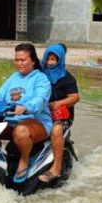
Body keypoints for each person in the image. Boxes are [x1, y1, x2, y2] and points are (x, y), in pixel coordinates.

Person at [0, 43, 52, 181]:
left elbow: (40, 99)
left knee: (20, 131)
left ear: (33, 61)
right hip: (13, 122)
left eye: (23, 60)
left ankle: (24, 160)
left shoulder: (41, 78)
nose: (19, 63)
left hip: (37, 123)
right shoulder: (13, 77)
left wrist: (26, 107)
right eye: (16, 60)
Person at [37, 43, 80, 187]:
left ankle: (56, 168)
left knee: (56, 130)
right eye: (48, 59)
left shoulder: (67, 78)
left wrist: (58, 103)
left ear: (60, 60)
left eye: (53, 60)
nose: (50, 62)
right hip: (41, 113)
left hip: (61, 116)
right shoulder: (39, 74)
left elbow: (75, 97)